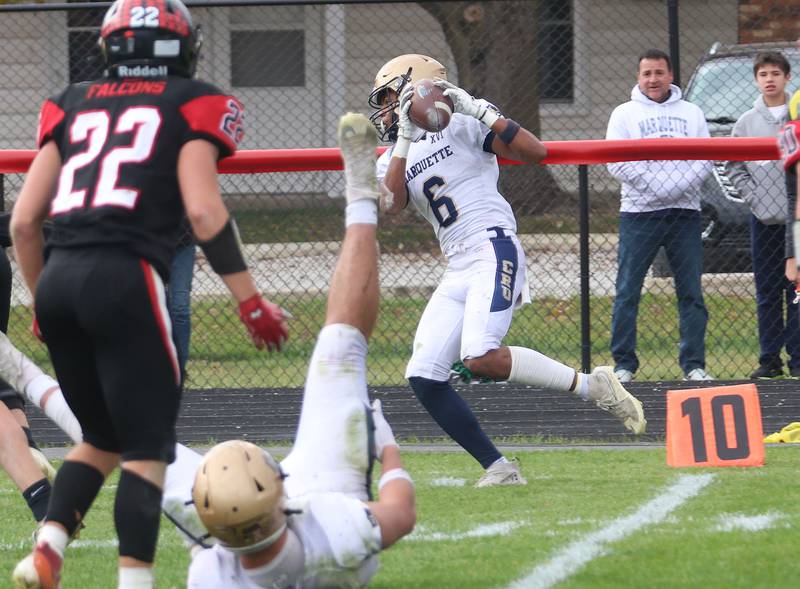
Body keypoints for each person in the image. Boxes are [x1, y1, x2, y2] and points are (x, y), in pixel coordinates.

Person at [10, 1, 288, 587]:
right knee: (145, 448)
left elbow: (24, 224)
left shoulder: (71, 101)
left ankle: (48, 547)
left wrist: (41, 300)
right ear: (183, 46)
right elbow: (204, 211)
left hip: (59, 276)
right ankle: (135, 582)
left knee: (103, 438)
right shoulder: (192, 100)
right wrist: (250, 300)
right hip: (126, 276)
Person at [158, 112, 415, 588]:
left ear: (210, 531)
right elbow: (401, 514)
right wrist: (390, 448)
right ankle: (361, 198)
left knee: (121, 434)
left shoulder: (211, 574)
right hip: (327, 490)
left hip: (260, 526)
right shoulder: (332, 531)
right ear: (281, 493)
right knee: (339, 349)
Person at [371, 54, 646, 488]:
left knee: (479, 356)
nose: (384, 110)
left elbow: (536, 154)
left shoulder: (462, 122)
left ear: (415, 88)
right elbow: (392, 206)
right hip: (457, 264)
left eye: (388, 98)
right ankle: (500, 469)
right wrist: (405, 135)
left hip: (492, 247)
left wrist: (481, 110)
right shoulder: (392, 155)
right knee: (423, 375)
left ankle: (592, 387)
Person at [605, 48, 713, 383]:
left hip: (684, 213)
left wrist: (676, 187)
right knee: (627, 290)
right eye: (647, 73)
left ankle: (694, 365)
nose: (653, 80)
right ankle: (624, 364)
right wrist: (657, 186)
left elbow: (706, 159)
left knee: (691, 292)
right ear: (638, 77)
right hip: (639, 213)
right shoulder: (623, 114)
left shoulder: (692, 113)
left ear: (670, 76)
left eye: (659, 73)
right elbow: (615, 161)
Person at [726, 51, 800, 379]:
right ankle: (770, 358)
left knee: (796, 291)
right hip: (765, 220)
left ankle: (798, 356)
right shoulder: (746, 122)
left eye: (776, 73)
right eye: (763, 74)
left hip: (795, 221)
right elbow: (733, 165)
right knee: (767, 290)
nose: (769, 79)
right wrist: (753, 197)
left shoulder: (795, 116)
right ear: (756, 80)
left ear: (787, 78)